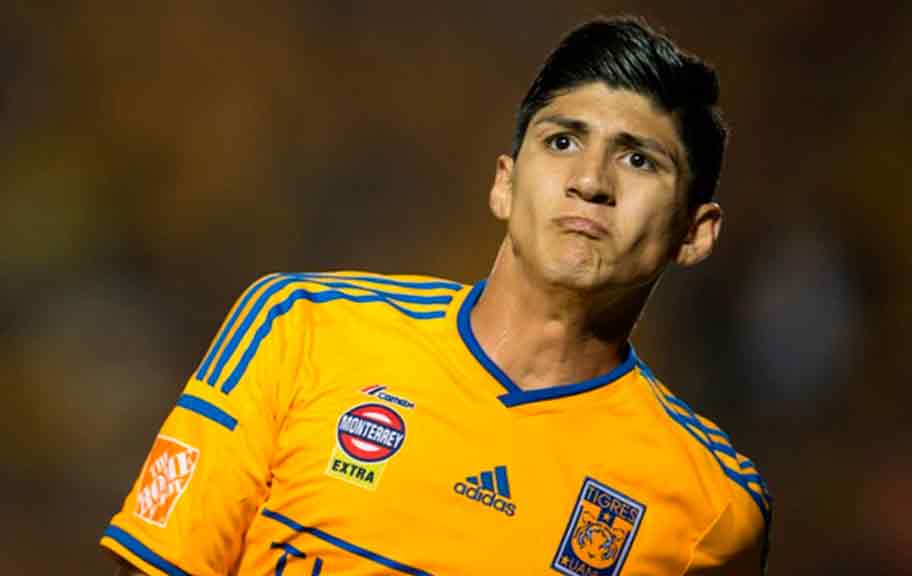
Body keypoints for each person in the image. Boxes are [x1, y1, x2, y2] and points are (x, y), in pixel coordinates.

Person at [101, 16, 770, 575]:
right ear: (505, 184)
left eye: (638, 159)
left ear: (694, 232)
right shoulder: (301, 328)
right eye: (563, 141)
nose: (590, 181)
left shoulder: (713, 508)